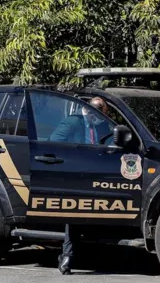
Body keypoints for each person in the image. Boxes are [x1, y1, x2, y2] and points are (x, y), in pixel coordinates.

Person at [55, 97, 111, 275]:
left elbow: (109, 142)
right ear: (89, 110)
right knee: (75, 214)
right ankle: (67, 256)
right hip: (76, 173)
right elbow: (54, 142)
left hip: (98, 173)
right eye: (99, 113)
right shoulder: (72, 122)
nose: (101, 118)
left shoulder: (101, 125)